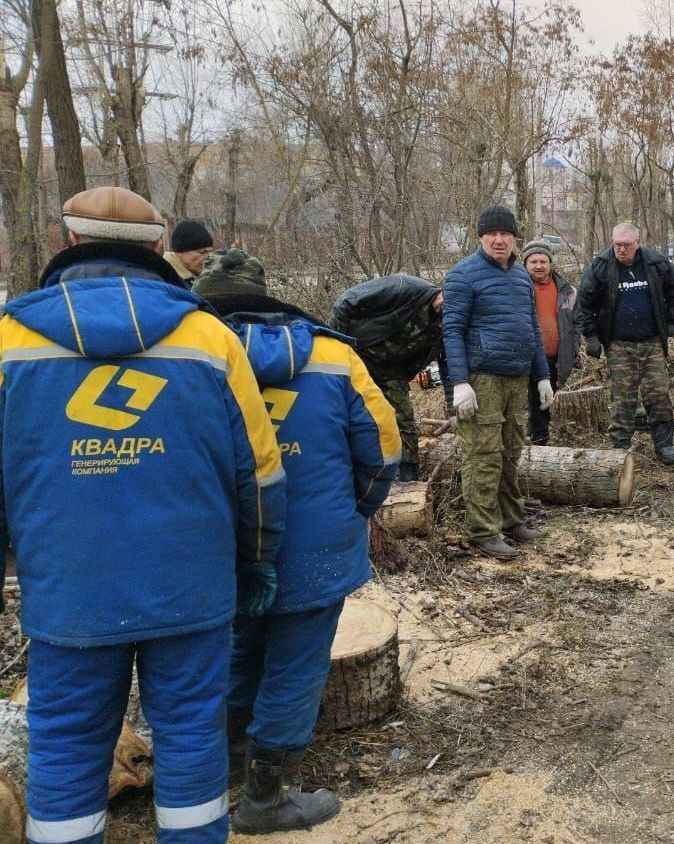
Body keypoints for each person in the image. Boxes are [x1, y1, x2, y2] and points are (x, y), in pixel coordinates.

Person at [1, 187, 286, 843]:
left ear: (67, 242)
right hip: (190, 585)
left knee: (68, 747)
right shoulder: (210, 337)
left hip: (68, 592)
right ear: (159, 247)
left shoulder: (10, 338)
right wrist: (259, 556)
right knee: (190, 737)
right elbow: (262, 472)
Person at [196, 249, 401, 833]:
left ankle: (231, 767)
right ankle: (265, 797)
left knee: (237, 650)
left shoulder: (193, 354)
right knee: (296, 665)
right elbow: (383, 446)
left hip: (224, 542)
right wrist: (356, 508)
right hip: (316, 545)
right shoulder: (334, 355)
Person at [443, 205, 553, 560]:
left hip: (516, 378)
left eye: (506, 234)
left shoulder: (522, 277)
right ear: (480, 237)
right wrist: (460, 382)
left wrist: (543, 377)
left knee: (511, 451)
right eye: (492, 234)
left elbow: (532, 330)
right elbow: (452, 330)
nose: (499, 239)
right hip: (482, 378)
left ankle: (511, 520)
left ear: (514, 238)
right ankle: (482, 530)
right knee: (484, 455)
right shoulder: (464, 275)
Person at [578, 222, 674, 465]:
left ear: (638, 243)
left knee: (657, 394)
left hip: (652, 342)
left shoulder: (656, 264)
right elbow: (584, 303)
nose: (621, 250)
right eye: (617, 245)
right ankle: (621, 444)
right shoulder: (602, 267)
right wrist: (591, 336)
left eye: (626, 245)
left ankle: (664, 444)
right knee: (623, 398)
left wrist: (672, 320)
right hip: (619, 344)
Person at [331, 274, 453, 481]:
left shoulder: (447, 326)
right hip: (356, 357)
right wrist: (339, 351)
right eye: (448, 300)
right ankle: (344, 473)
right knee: (348, 415)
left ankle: (409, 480)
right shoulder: (404, 287)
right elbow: (344, 304)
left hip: (391, 369)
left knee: (403, 421)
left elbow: (448, 364)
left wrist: (453, 408)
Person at [521, 239, 582, 445]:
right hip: (523, 356)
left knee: (543, 404)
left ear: (550, 263)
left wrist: (573, 349)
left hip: (554, 357)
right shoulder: (517, 287)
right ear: (525, 264)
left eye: (543, 261)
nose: (539, 266)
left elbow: (577, 322)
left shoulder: (567, 291)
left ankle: (540, 443)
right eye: (533, 261)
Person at [164, 219, 214, 284]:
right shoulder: (166, 280)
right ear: (180, 252)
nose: (208, 258)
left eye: (209, 252)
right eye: (202, 252)